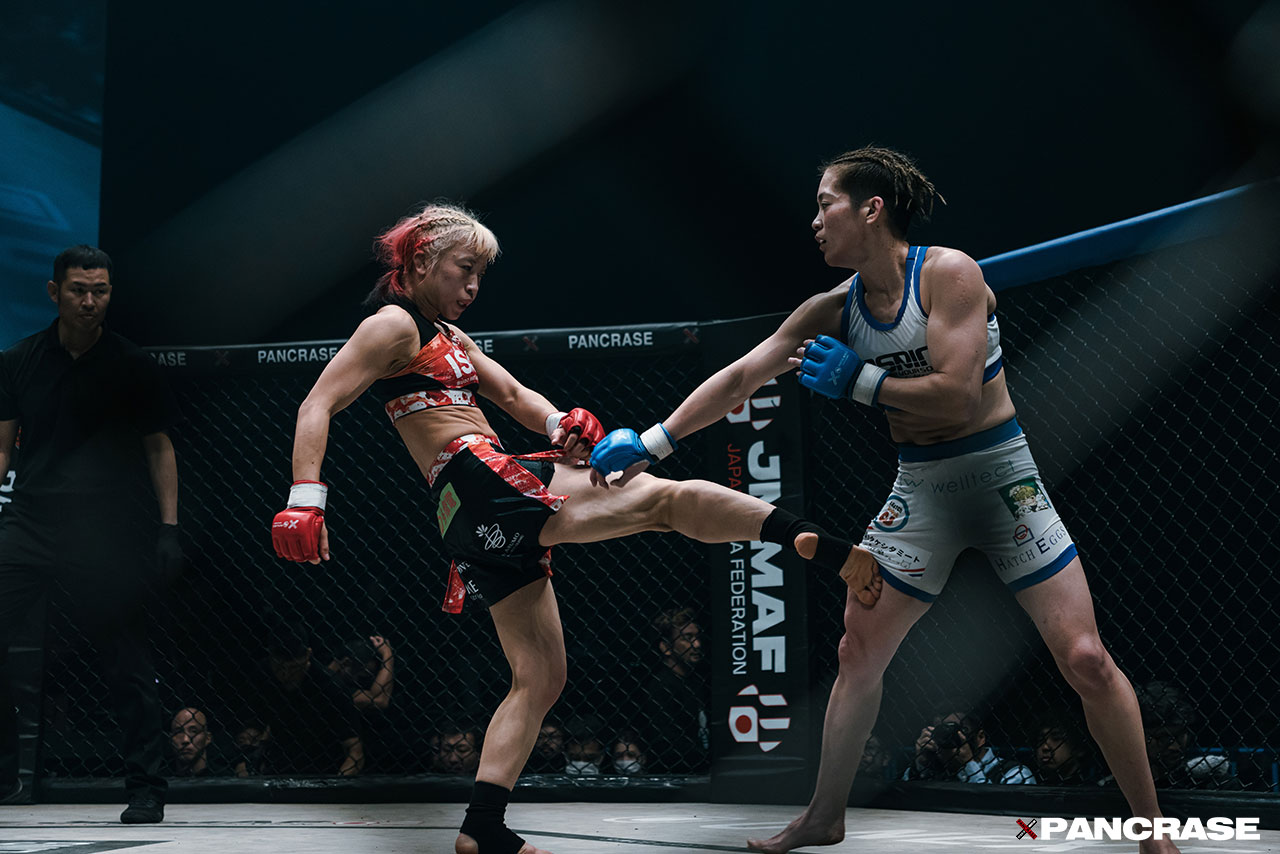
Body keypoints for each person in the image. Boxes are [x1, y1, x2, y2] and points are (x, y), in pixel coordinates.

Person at [589, 147, 1181, 854]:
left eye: (825, 204)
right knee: (857, 650)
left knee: (1085, 658)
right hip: (922, 486)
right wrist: (654, 441)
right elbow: (745, 374)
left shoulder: (949, 274)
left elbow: (959, 395)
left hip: (1001, 476)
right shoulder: (832, 309)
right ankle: (824, 817)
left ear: (871, 209)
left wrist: (860, 382)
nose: (814, 222)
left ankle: (1152, 831)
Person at [269, 202, 879, 854]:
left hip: (468, 513)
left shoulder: (449, 337)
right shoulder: (393, 324)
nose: (473, 287)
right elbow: (318, 401)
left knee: (540, 676)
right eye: (464, 269)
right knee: (662, 500)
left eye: (480, 275)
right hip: (480, 480)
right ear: (421, 261)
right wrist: (306, 497)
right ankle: (822, 545)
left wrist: (561, 422)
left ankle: (482, 826)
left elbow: (513, 396)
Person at [0, 245, 182, 823]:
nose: (89, 300)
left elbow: (159, 446)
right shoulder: (19, 360)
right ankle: (4, 768)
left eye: (99, 290)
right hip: (31, 520)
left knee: (126, 659)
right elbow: (1, 448)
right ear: (55, 293)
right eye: (78, 290)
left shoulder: (132, 363)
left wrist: (169, 528)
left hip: (105, 528)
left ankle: (146, 788)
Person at [248, 619, 364, 776]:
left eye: (294, 668)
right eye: (279, 667)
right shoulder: (262, 674)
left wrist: (337, 784)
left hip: (323, 772)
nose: (286, 675)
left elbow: (355, 752)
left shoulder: (330, 687)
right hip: (277, 769)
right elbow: (252, 725)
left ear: (308, 655)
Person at [638, 606, 709, 773]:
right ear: (667, 647)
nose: (697, 644)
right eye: (687, 638)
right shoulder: (661, 686)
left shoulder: (697, 682)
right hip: (675, 774)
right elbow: (667, 743)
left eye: (697, 637)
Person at [903, 711, 1035, 784]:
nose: (949, 736)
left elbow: (1010, 818)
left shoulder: (1015, 773)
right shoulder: (937, 770)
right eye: (942, 731)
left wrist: (968, 766)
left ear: (980, 737)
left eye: (958, 730)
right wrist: (921, 764)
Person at [167, 707, 226, 777]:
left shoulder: (225, 777)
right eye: (178, 732)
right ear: (170, 739)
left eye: (194, 731)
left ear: (207, 738)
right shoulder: (161, 778)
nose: (185, 740)